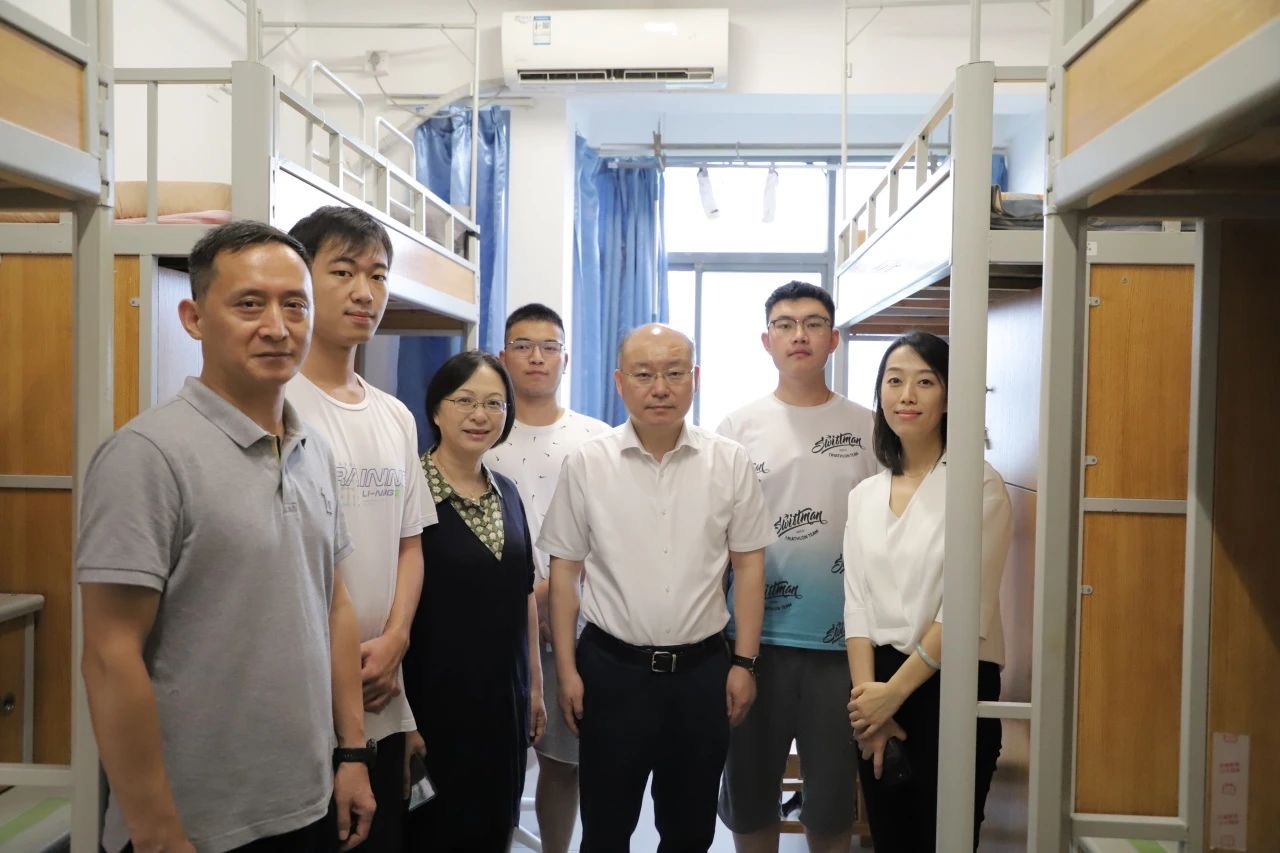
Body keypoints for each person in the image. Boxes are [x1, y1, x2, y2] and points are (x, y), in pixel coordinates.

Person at [78, 221, 376, 853]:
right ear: (194, 318)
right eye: (249, 304)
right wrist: (156, 832)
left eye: (294, 305)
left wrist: (352, 752)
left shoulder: (312, 450)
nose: (277, 327)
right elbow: (109, 654)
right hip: (195, 826)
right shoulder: (147, 455)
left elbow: (334, 604)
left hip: (307, 801)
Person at [539, 323, 775, 853]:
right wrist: (568, 672)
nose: (660, 388)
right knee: (605, 829)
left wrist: (744, 663)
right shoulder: (588, 463)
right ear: (620, 382)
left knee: (690, 831)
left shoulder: (729, 461)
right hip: (611, 670)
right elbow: (565, 572)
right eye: (644, 374)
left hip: (701, 673)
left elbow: (750, 568)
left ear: (695, 379)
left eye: (674, 373)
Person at [285, 206, 432, 851]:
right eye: (342, 272)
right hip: (305, 685)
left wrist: (397, 637)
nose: (364, 292)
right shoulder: (280, 401)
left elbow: (410, 543)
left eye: (377, 275)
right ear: (302, 280)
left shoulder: (395, 415)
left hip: (383, 685)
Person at [716, 282, 879, 853]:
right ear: (767, 341)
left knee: (831, 807)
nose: (799, 335)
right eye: (784, 324)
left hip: (844, 644)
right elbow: (718, 538)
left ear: (834, 339)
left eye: (813, 323)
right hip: (753, 643)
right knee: (750, 798)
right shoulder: (736, 429)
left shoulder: (870, 428)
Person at [842, 331, 1011, 851]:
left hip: (951, 682)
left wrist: (893, 695)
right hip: (875, 685)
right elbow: (856, 605)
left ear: (950, 397)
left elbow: (963, 610)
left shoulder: (979, 485)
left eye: (925, 382)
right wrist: (869, 707)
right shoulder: (864, 494)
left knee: (945, 839)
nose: (907, 396)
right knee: (891, 839)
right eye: (894, 381)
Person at [401, 350, 546, 851]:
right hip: (433, 706)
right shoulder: (410, 491)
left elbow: (524, 595)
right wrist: (401, 720)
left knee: (493, 829)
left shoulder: (507, 492)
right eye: (464, 401)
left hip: (503, 706)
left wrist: (534, 689)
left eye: (494, 403)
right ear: (436, 410)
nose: (480, 415)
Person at [484, 303, 611, 853]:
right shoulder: (481, 432)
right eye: (522, 345)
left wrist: (552, 596)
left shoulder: (596, 438)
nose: (536, 357)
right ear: (502, 355)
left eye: (549, 346)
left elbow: (610, 533)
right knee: (493, 759)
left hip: (570, 620)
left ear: (565, 357)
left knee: (563, 761)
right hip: (492, 620)